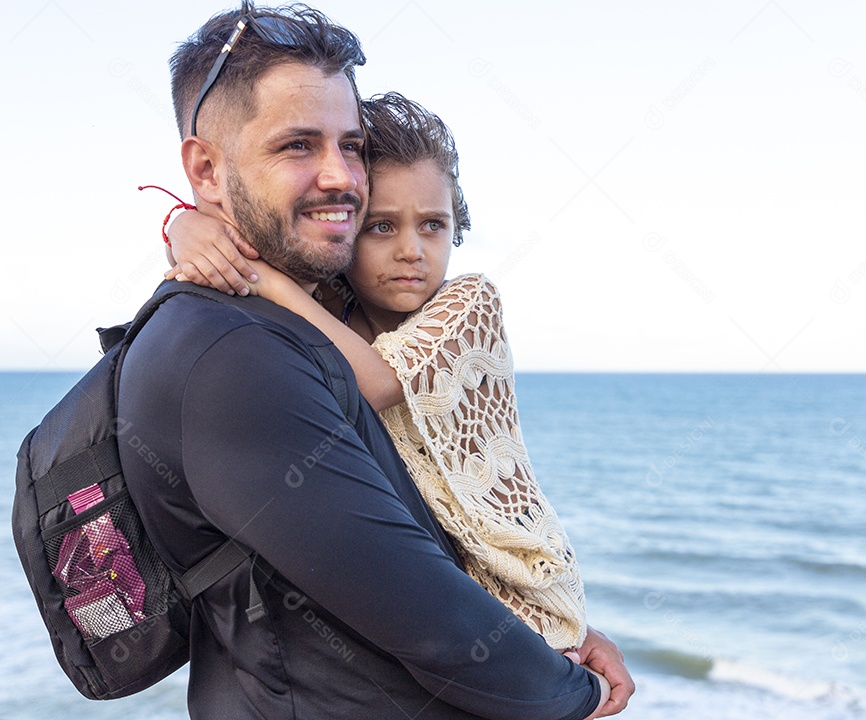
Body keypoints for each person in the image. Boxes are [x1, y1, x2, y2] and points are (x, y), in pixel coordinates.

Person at [120, 3, 632, 718]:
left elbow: (425, 536)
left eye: (352, 147)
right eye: (298, 145)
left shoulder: (362, 314)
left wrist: (561, 638)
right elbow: (427, 614)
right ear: (205, 168)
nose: (340, 178)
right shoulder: (238, 350)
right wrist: (570, 693)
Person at [167, 92, 596, 662]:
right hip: (437, 591)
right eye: (382, 227)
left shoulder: (468, 306)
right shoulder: (330, 308)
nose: (411, 251)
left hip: (517, 585)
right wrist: (184, 226)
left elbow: (377, 384)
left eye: (433, 225)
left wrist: (269, 281)